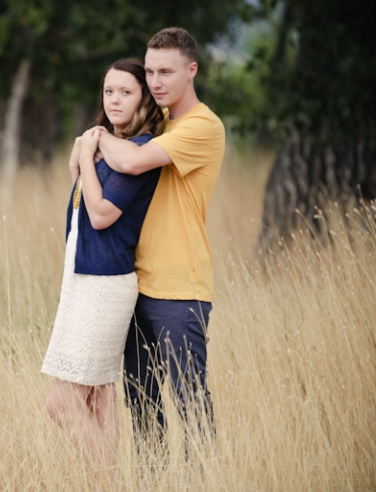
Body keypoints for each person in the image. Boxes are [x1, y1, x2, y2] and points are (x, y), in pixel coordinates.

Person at [93, 27, 226, 455]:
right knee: (141, 403)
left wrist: (96, 138)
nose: (155, 81)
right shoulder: (158, 123)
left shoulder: (203, 126)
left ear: (192, 70)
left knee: (190, 403)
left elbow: (129, 161)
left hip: (180, 287)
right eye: (149, 71)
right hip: (136, 284)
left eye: (166, 71)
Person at [41, 58, 163, 492]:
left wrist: (88, 158)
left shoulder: (141, 151)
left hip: (105, 284)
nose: (114, 100)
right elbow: (76, 200)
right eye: (109, 91)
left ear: (143, 98)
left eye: (126, 92)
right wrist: (85, 157)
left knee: (61, 402)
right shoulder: (106, 146)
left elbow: (100, 213)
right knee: (97, 397)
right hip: (82, 279)